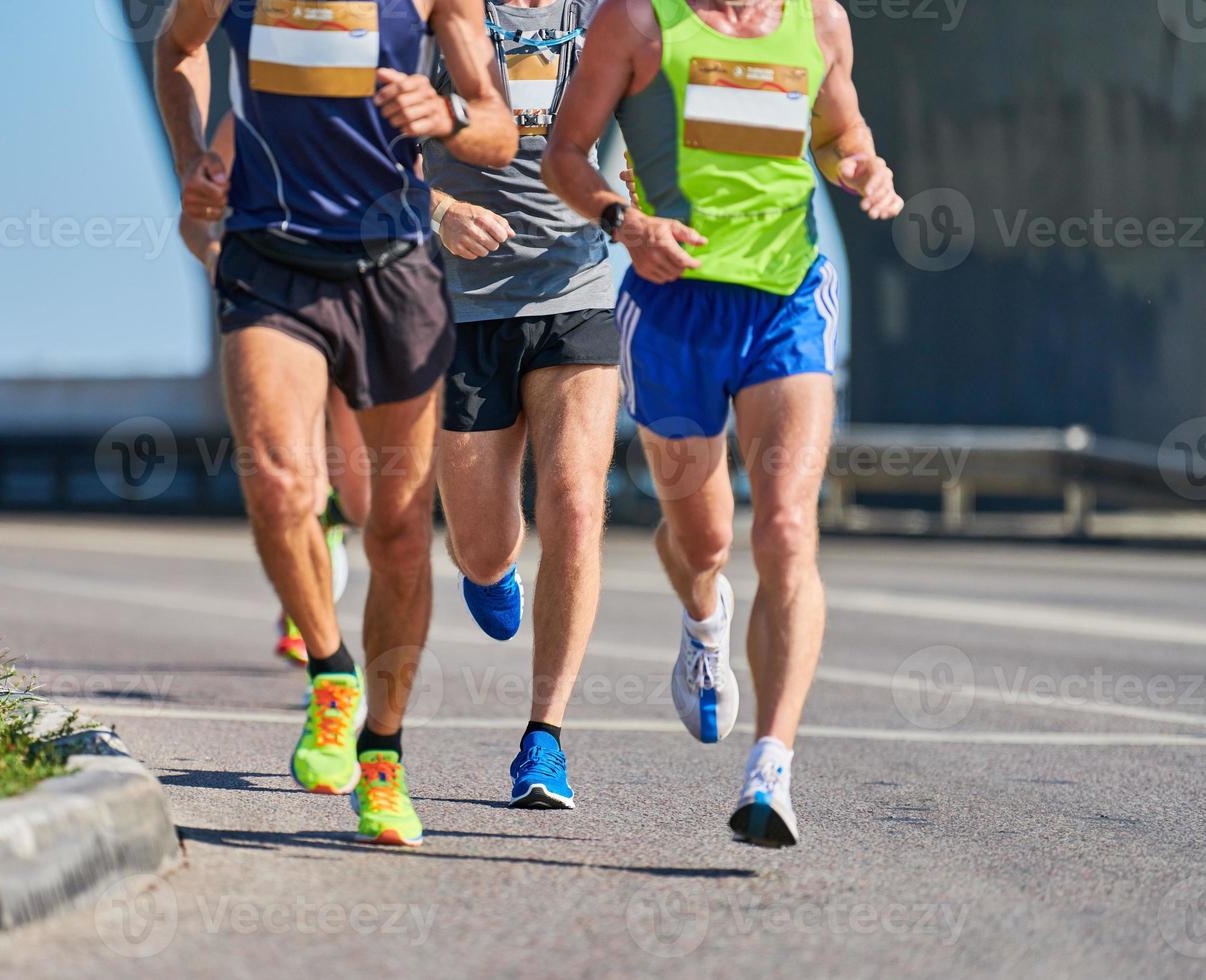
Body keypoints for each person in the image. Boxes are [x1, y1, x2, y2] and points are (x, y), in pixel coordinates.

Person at [156, 0, 516, 847]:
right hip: (269, 256)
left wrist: (452, 117)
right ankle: (329, 671)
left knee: (394, 531)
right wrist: (194, 159)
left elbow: (497, 127)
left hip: (392, 269)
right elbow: (179, 47)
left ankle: (383, 754)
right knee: (280, 485)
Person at [543, 0, 902, 846]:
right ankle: (704, 612)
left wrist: (863, 168)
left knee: (783, 528)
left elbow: (840, 133)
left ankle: (770, 769)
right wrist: (623, 223)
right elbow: (565, 155)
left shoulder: (817, 20)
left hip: (787, 302)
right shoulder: (635, 22)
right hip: (672, 311)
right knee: (704, 541)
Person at [421, 0, 618, 809]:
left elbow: (661, 106)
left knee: (574, 505)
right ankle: (488, 567)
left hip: (575, 289)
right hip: (460, 307)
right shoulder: (438, 16)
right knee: (484, 544)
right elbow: (370, 145)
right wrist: (439, 211)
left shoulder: (604, 14)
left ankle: (545, 738)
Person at [177, 115, 372, 668]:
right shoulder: (249, 118)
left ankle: (332, 522)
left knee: (365, 503)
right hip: (279, 311)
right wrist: (216, 260)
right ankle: (322, 645)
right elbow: (194, 221)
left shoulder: (385, 97)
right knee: (292, 477)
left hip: (368, 309)